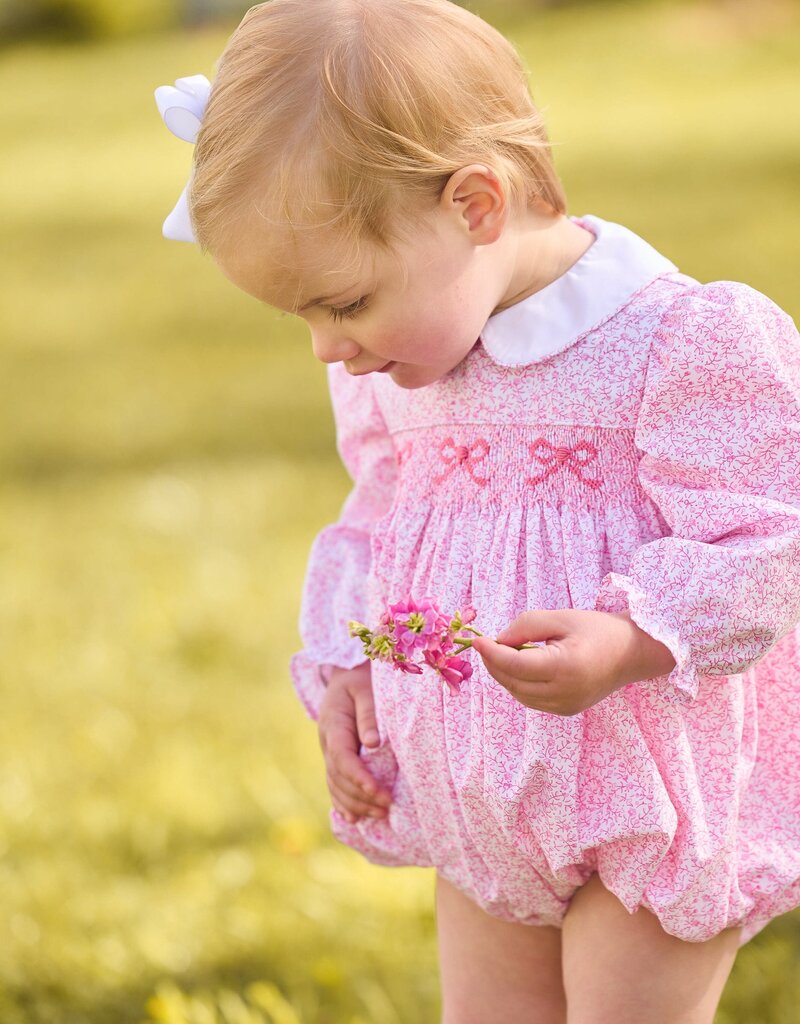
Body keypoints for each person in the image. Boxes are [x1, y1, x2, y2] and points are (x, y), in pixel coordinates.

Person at [153, 1, 800, 1020]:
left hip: (647, 796)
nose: (326, 346)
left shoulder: (679, 341)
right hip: (481, 801)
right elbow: (377, 520)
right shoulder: (395, 367)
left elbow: (764, 539)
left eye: (344, 300)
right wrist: (349, 670)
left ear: (476, 205)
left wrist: (631, 634)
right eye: (303, 317)